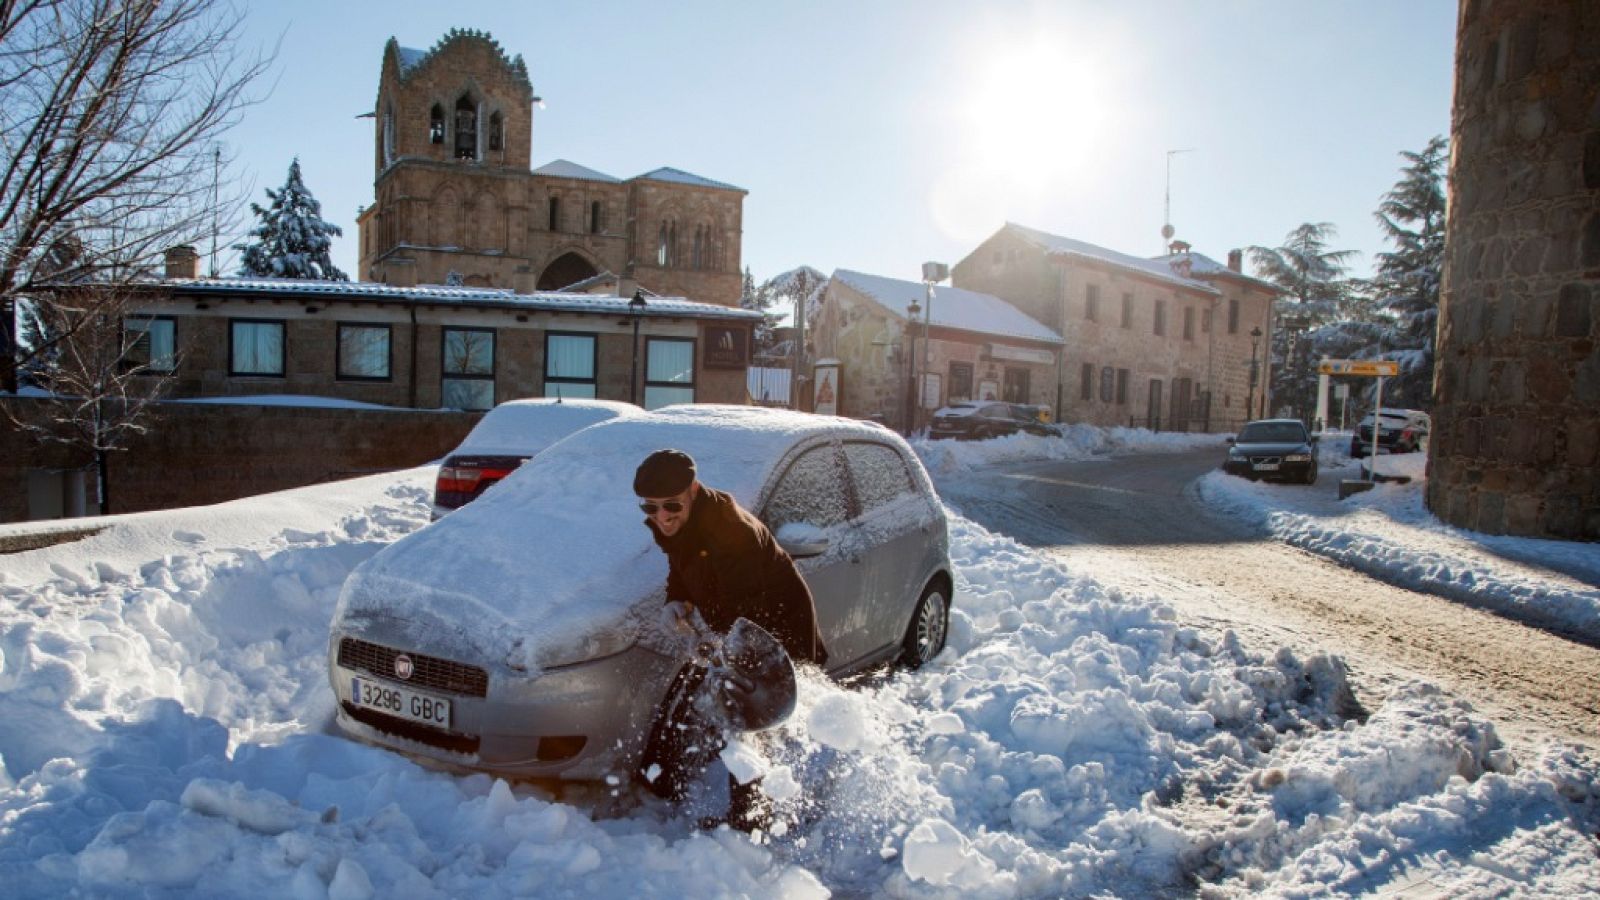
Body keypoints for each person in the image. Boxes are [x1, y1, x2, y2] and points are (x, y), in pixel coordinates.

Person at [631, 448, 827, 831]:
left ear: (693, 490)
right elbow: (681, 564)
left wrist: (723, 647)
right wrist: (677, 599)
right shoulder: (671, 522)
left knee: (751, 721)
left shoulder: (731, 532)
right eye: (650, 508)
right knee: (700, 695)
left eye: (670, 505)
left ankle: (751, 822)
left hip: (777, 622)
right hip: (735, 621)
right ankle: (663, 786)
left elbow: (752, 610)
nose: (661, 517)